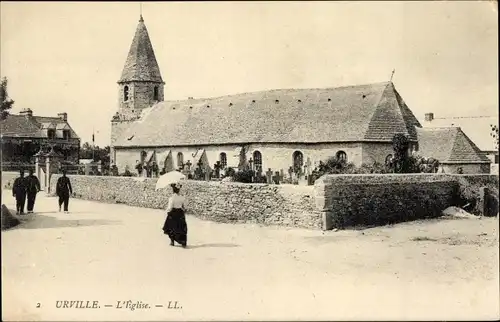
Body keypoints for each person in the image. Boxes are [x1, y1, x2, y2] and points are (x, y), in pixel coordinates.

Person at [162, 183, 188, 248]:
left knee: (171, 227)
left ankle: (172, 241)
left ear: (173, 190)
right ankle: (183, 242)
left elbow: (170, 207)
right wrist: (183, 208)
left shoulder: (172, 198)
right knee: (181, 227)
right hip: (180, 213)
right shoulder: (182, 197)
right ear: (179, 190)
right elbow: (185, 206)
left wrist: (168, 211)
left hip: (173, 213)